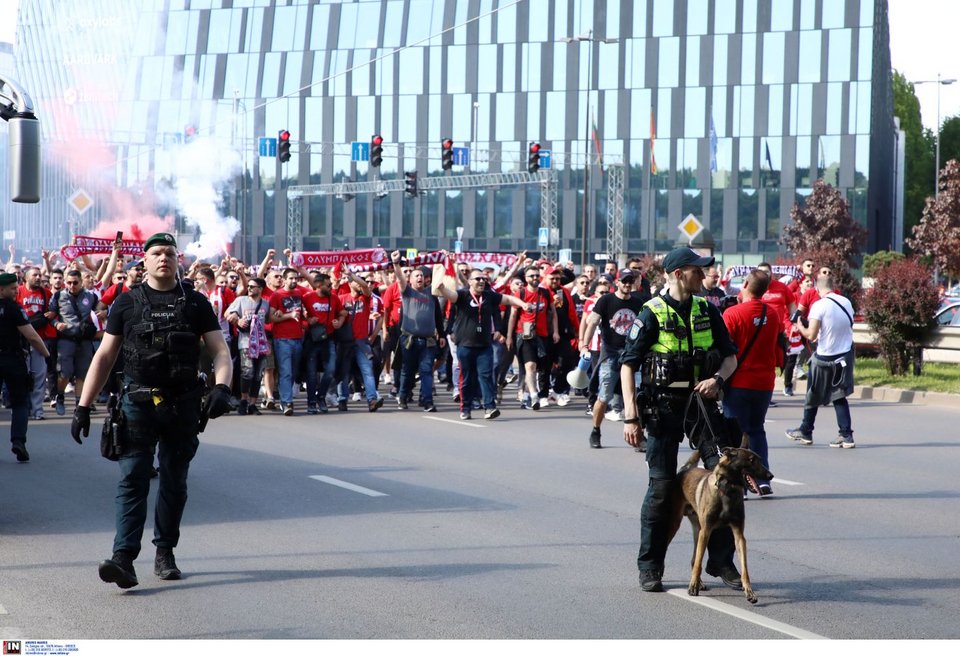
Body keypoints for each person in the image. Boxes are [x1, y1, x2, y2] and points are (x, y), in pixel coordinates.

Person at [70, 232, 233, 589]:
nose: (164, 258)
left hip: (183, 404)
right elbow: (105, 356)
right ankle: (123, 558)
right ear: (144, 260)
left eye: (170, 253)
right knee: (133, 478)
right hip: (137, 404)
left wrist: (222, 387)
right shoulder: (126, 303)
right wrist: (83, 406)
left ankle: (165, 553)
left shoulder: (195, 303)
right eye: (157, 253)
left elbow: (220, 351)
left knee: (174, 480)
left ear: (178, 260)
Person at [619, 247, 740, 593]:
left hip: (701, 406)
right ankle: (650, 566)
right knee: (661, 489)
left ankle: (721, 561)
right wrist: (630, 416)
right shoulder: (651, 313)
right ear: (677, 274)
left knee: (725, 481)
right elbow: (628, 365)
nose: (703, 275)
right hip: (663, 407)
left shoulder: (707, 309)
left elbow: (730, 358)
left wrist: (717, 380)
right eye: (696, 270)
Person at [436, 260, 528, 419]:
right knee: (467, 379)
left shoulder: (489, 296)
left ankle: (489, 407)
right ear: (470, 282)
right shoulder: (463, 295)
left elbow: (508, 299)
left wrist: (523, 304)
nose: (481, 281)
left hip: (484, 345)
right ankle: (465, 409)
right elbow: (450, 295)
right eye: (477, 279)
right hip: (465, 345)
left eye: (483, 279)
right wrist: (441, 287)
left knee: (486, 376)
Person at [721, 270, 783, 496]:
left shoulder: (733, 313)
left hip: (738, 381)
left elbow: (724, 347)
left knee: (735, 435)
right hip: (764, 383)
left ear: (745, 284)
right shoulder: (773, 314)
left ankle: (739, 486)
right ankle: (762, 479)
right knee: (757, 430)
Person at [785, 274, 857, 448]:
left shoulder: (819, 305)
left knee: (813, 394)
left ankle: (806, 431)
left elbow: (811, 334)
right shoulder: (846, 302)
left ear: (817, 288)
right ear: (833, 286)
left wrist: (800, 326)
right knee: (839, 395)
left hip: (825, 357)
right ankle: (846, 435)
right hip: (844, 356)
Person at [579, 268, 647, 448]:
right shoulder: (606, 300)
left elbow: (645, 326)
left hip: (632, 355)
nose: (627, 284)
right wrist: (584, 344)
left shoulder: (638, 302)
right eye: (624, 281)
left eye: (630, 281)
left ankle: (639, 435)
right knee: (604, 395)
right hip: (610, 354)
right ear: (617, 282)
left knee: (638, 395)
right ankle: (595, 430)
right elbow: (592, 322)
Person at [1, 272, 51, 462]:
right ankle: (18, 441)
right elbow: (31, 336)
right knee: (20, 403)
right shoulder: (14, 309)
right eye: (13, 288)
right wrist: (46, 355)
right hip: (12, 359)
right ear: (1, 290)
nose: (16, 291)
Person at [391, 253, 444, 412]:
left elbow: (438, 316)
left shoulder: (432, 293)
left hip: (428, 341)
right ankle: (402, 397)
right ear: (410, 280)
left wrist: (441, 334)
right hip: (409, 340)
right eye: (416, 276)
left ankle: (427, 402)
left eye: (422, 275)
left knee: (427, 371)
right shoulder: (407, 292)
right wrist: (396, 264)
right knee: (407, 371)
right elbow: (400, 278)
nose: (420, 277)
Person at [50, 269, 99, 415]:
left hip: (84, 340)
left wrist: (102, 313)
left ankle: (79, 404)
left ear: (81, 282)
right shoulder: (58, 296)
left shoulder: (91, 296)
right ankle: (60, 396)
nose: (72, 286)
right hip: (66, 340)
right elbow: (50, 316)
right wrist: (56, 324)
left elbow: (99, 311)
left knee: (82, 374)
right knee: (64, 373)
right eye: (69, 282)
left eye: (75, 283)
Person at [225, 277, 272, 415]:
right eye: (249, 286)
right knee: (247, 371)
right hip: (245, 342)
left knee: (258, 374)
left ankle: (252, 404)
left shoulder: (265, 304)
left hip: (260, 343)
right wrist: (237, 320)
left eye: (252, 286)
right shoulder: (241, 300)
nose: (249, 288)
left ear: (260, 289)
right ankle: (244, 400)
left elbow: (268, 319)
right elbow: (227, 314)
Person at [268, 268, 306, 416]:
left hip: (298, 338)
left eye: (296, 278)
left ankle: (284, 396)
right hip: (282, 339)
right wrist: (289, 315)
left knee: (293, 372)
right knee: (286, 372)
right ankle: (287, 402)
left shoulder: (299, 293)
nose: (294, 281)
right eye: (291, 278)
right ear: (284, 280)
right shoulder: (277, 295)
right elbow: (271, 317)